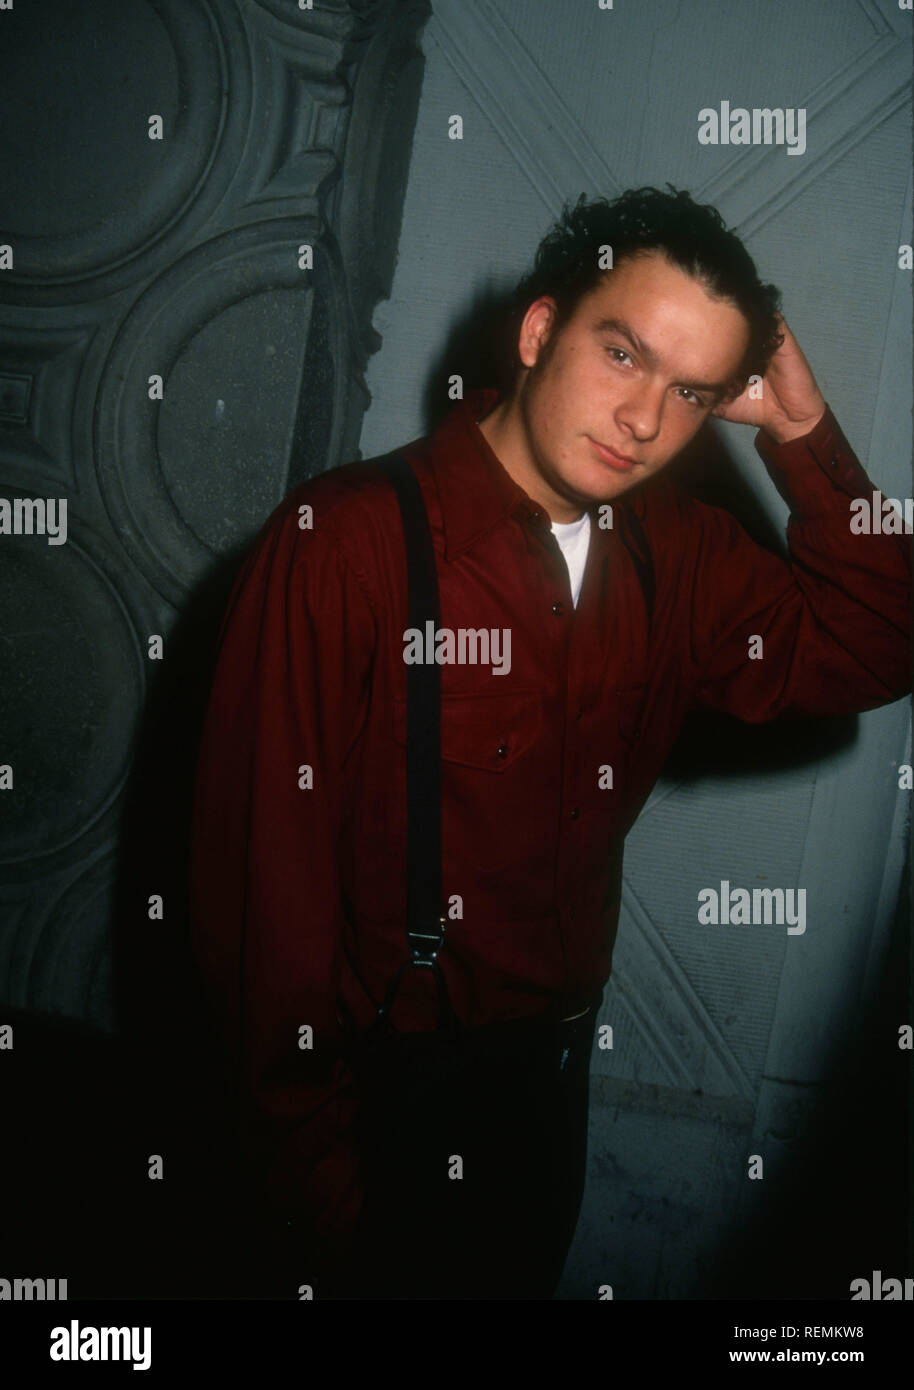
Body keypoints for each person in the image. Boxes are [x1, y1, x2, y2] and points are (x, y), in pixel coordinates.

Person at [189, 186, 911, 1300]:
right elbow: (259, 908)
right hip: (371, 1108)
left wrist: (804, 435)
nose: (642, 420)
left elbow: (876, 642)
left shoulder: (675, 552)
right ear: (537, 333)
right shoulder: (348, 544)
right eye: (620, 353)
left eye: (690, 393)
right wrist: (318, 1200)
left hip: (545, 1088)